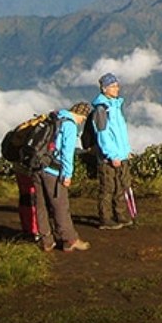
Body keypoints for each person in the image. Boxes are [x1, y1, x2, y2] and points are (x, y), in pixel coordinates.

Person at [34, 103, 93, 252]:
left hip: (37, 167)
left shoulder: (54, 118)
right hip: (53, 171)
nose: (82, 121)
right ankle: (69, 240)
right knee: (60, 206)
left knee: (41, 205)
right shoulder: (70, 125)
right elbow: (67, 153)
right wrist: (67, 175)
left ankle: (46, 240)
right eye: (83, 118)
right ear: (81, 115)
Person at [93, 73, 134, 230]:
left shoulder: (115, 106)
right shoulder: (102, 110)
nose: (118, 88)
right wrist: (112, 155)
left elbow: (120, 133)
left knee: (121, 186)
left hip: (120, 154)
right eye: (114, 86)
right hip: (108, 157)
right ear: (105, 89)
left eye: (117, 85)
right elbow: (103, 135)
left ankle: (121, 215)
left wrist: (125, 151)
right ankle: (105, 218)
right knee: (108, 187)